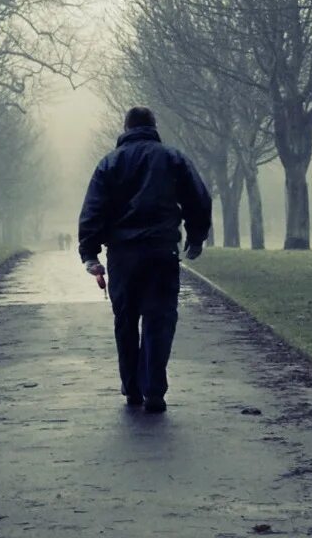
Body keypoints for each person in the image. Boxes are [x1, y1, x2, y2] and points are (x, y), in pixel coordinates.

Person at [77, 105, 212, 413]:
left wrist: (90, 253)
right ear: (153, 127)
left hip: (123, 255)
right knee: (159, 318)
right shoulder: (172, 158)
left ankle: (131, 387)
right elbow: (197, 198)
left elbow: (93, 209)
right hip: (161, 250)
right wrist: (195, 235)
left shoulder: (109, 164)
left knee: (125, 320)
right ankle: (154, 389)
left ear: (125, 129)